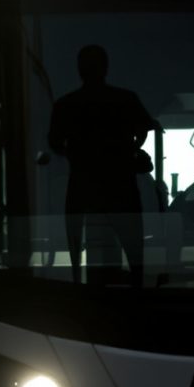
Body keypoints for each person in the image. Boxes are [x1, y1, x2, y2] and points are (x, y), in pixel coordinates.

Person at [45, 44, 158, 272]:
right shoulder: (125, 99)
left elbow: (55, 144)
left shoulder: (66, 105)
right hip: (121, 184)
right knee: (134, 253)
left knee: (77, 251)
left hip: (83, 184)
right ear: (105, 68)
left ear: (79, 70)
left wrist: (77, 156)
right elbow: (147, 128)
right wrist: (128, 151)